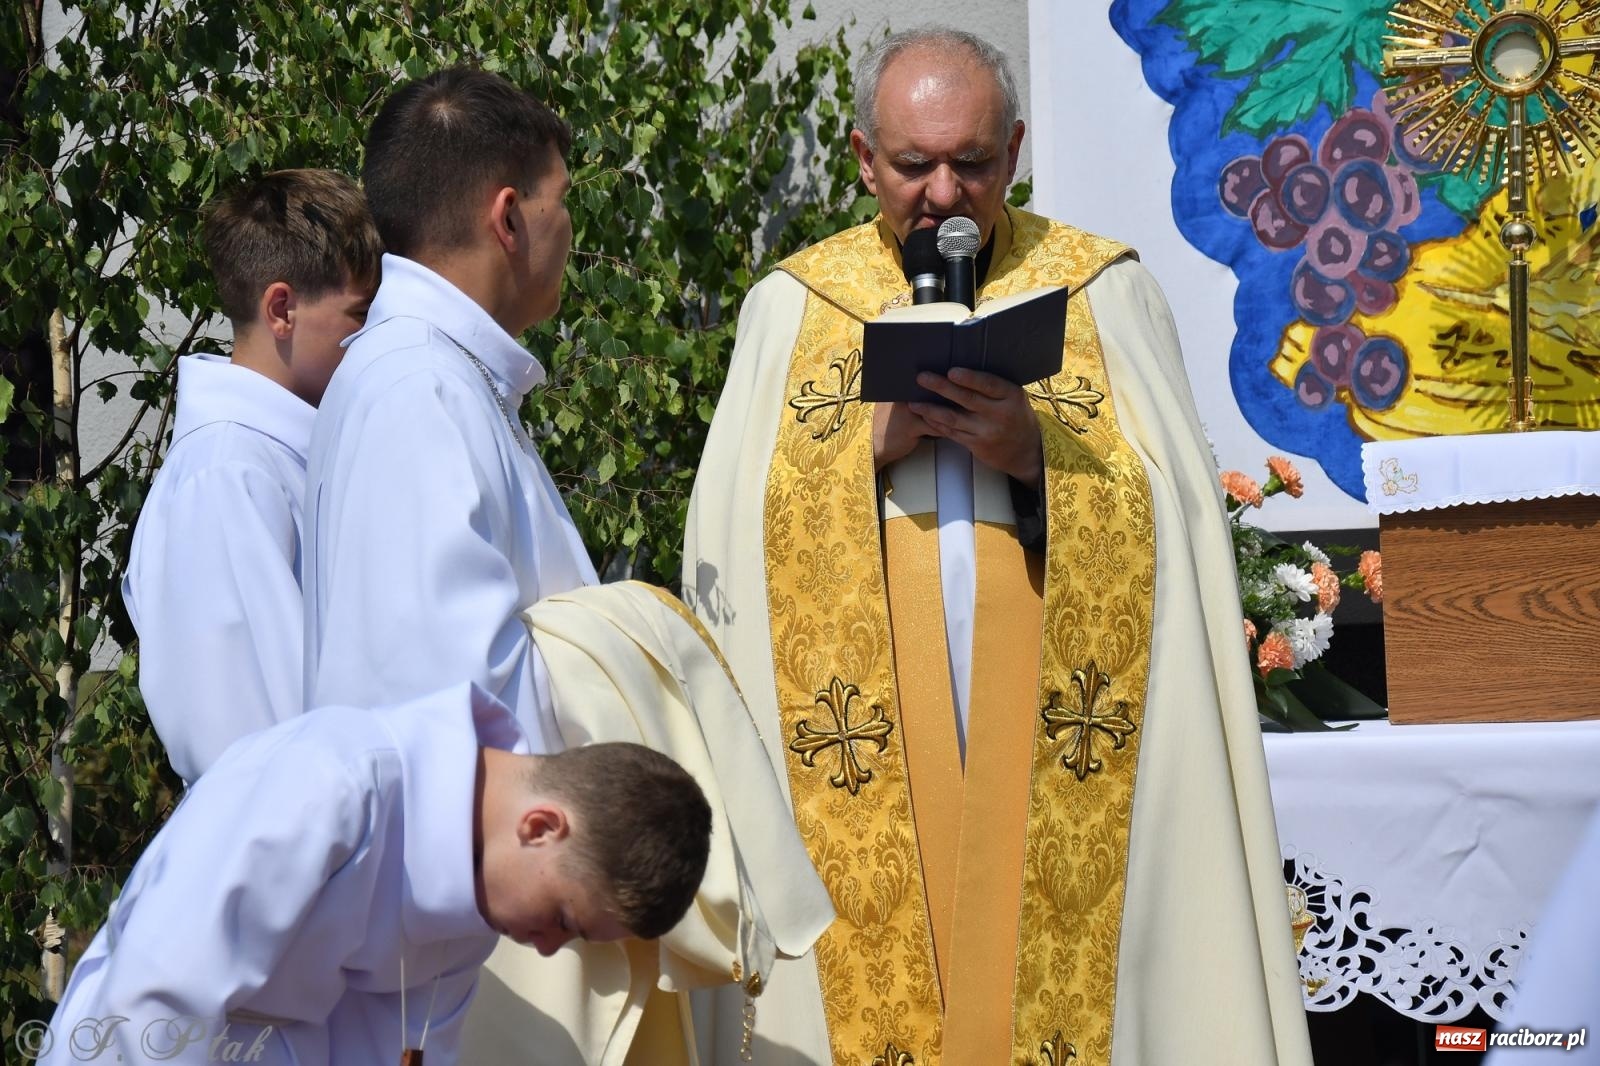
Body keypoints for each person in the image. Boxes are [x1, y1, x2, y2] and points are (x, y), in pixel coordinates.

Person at [684, 26, 1314, 1066]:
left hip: (1051, 720)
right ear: (860, 158)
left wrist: (1040, 456)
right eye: (912, 165)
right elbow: (727, 552)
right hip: (870, 737)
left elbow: (1181, 529)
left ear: (1014, 150)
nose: (942, 195)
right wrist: (861, 451)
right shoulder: (790, 311)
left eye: (971, 163)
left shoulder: (1101, 292)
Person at [37, 681, 712, 1066]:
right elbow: (155, 996)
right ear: (540, 828)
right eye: (564, 919)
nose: (545, 946)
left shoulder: (477, 909)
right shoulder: (331, 785)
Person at [303, 66, 591, 749]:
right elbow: (459, 711)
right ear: (510, 218)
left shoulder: (437, 374)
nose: (571, 227)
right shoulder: (419, 391)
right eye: (562, 199)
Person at [123, 169, 380, 785]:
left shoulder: (278, 457)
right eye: (360, 314)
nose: (374, 335)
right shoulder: (226, 477)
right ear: (282, 309)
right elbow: (257, 753)